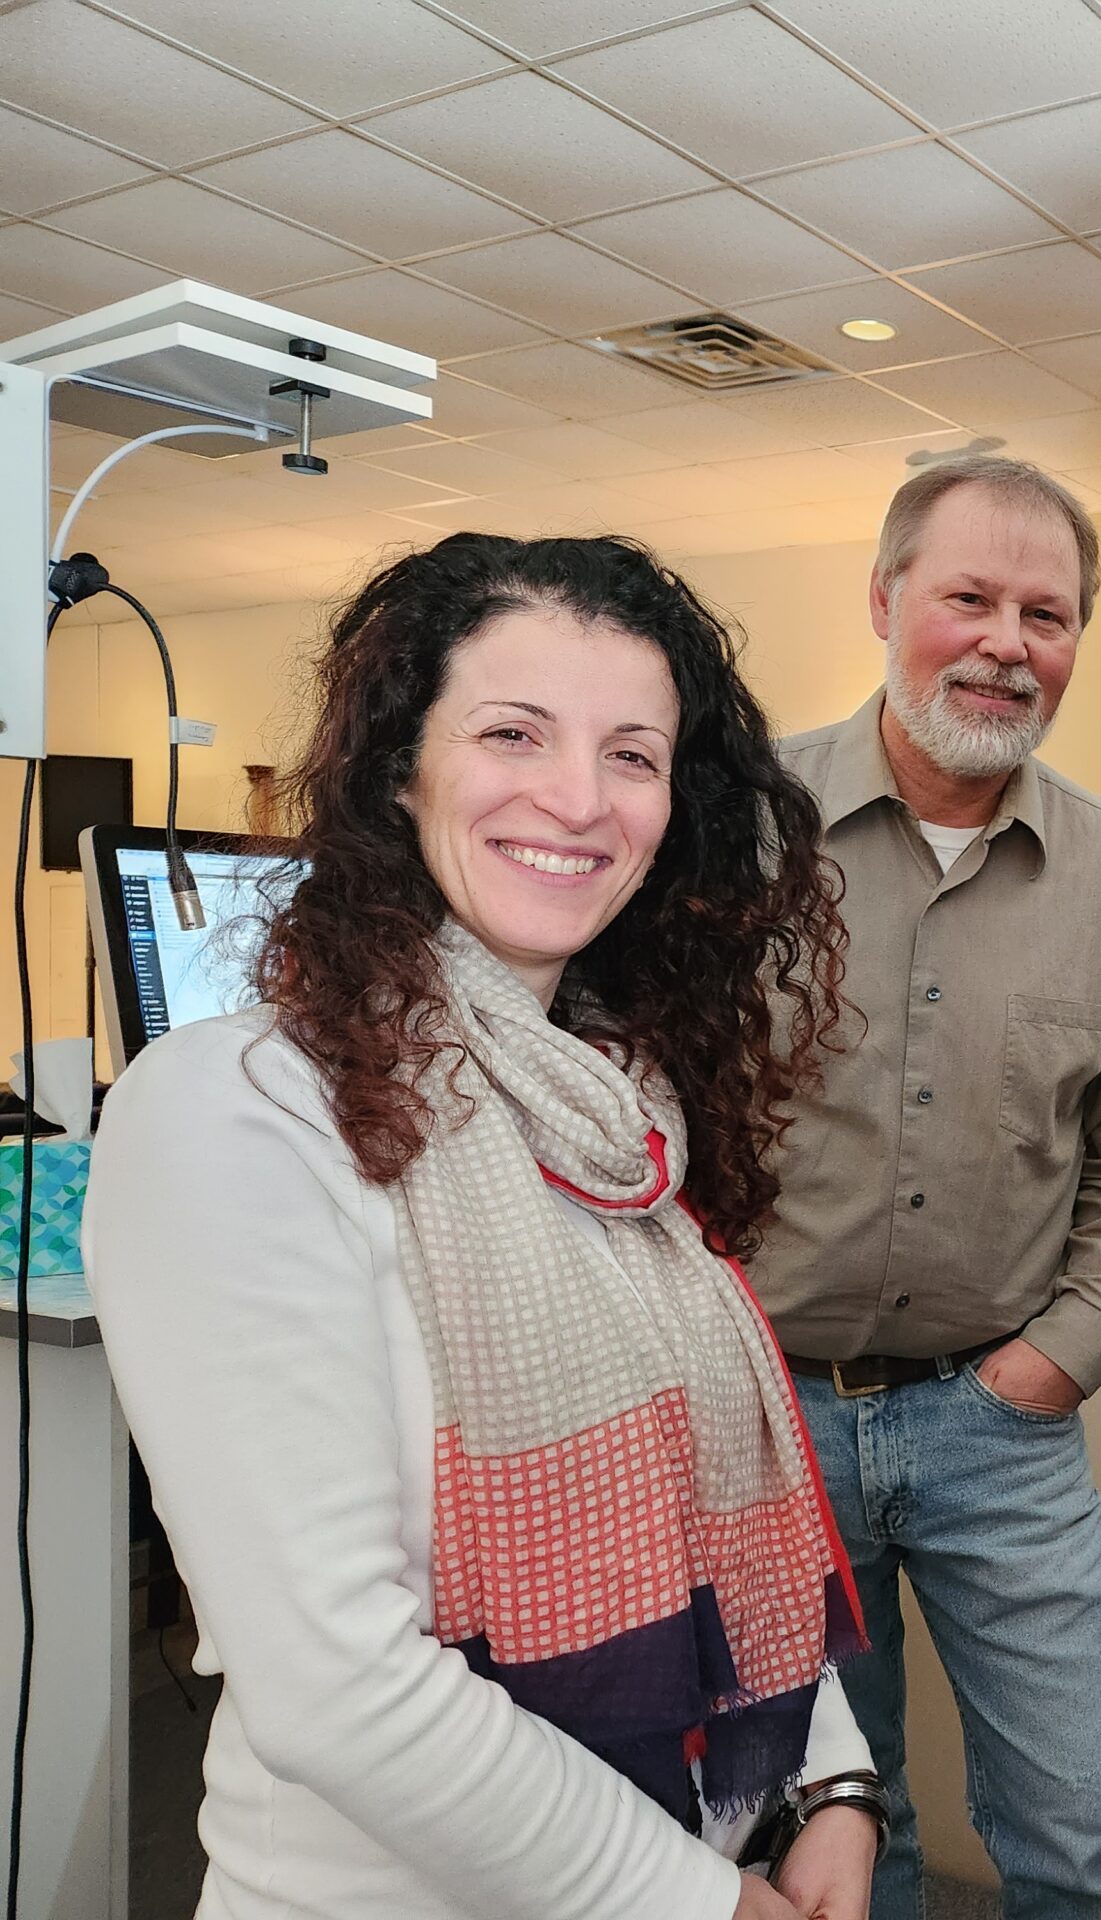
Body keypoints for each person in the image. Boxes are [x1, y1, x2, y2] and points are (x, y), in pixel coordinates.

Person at [85, 534, 884, 1920]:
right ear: (402, 767)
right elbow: (337, 1683)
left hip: (706, 1850)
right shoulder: (238, 1111)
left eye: (632, 755)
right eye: (514, 732)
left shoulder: (623, 1104)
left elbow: (719, 1507)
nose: (578, 798)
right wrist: (699, 1905)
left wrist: (830, 1786)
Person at [754, 455, 1101, 1919]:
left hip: (996, 1426)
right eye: (970, 599)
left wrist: (1058, 1357)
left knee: (1091, 1845)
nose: (1009, 644)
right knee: (836, 1830)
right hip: (767, 1427)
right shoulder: (734, 828)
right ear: (886, 600)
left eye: (1047, 615)